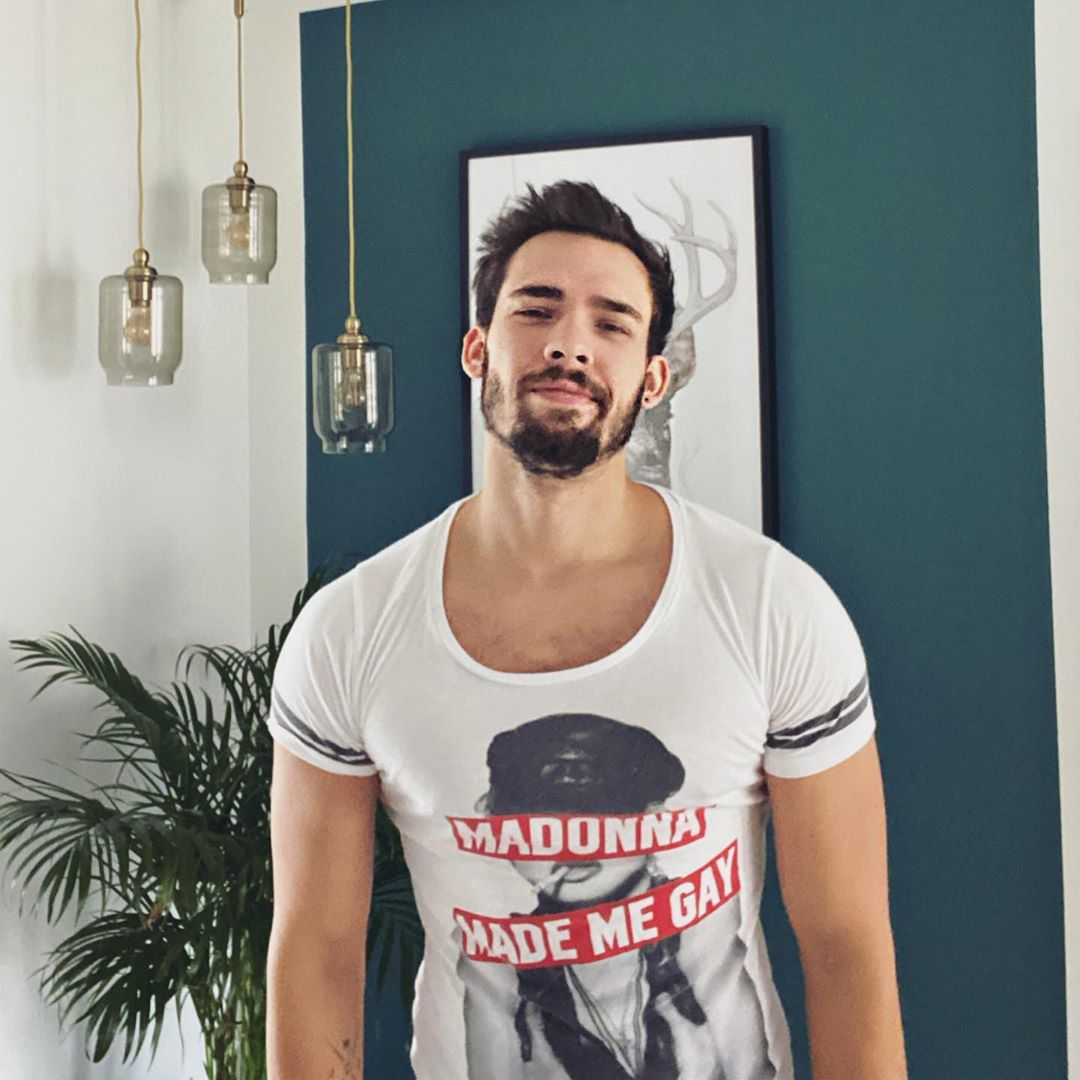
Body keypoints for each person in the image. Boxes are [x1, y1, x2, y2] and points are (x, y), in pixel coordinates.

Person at [265, 180, 908, 1080]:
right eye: (537, 310)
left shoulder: (774, 607)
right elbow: (316, 947)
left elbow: (845, 943)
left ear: (652, 379)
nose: (570, 342)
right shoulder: (349, 631)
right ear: (478, 349)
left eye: (612, 323)